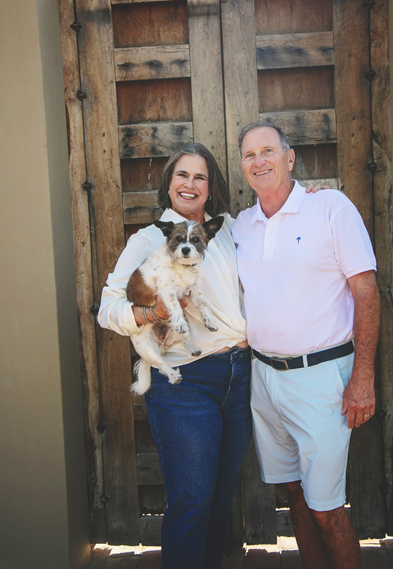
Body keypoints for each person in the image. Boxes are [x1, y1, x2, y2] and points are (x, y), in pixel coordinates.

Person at [232, 122, 380, 569]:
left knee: (326, 508)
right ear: (243, 167)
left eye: (268, 151)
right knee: (292, 493)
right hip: (264, 378)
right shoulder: (241, 225)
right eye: (249, 155)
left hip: (322, 380)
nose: (259, 162)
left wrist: (364, 377)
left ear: (289, 157)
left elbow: (367, 292)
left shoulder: (330, 207)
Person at [98, 143, 251, 569]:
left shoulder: (230, 231)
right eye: (181, 175)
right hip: (185, 382)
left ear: (210, 187)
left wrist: (305, 197)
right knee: (192, 499)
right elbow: (108, 309)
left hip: (241, 374)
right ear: (168, 183)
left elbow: (277, 221)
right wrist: (152, 312)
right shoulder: (149, 238)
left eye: (199, 177)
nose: (190, 184)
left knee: (221, 497)